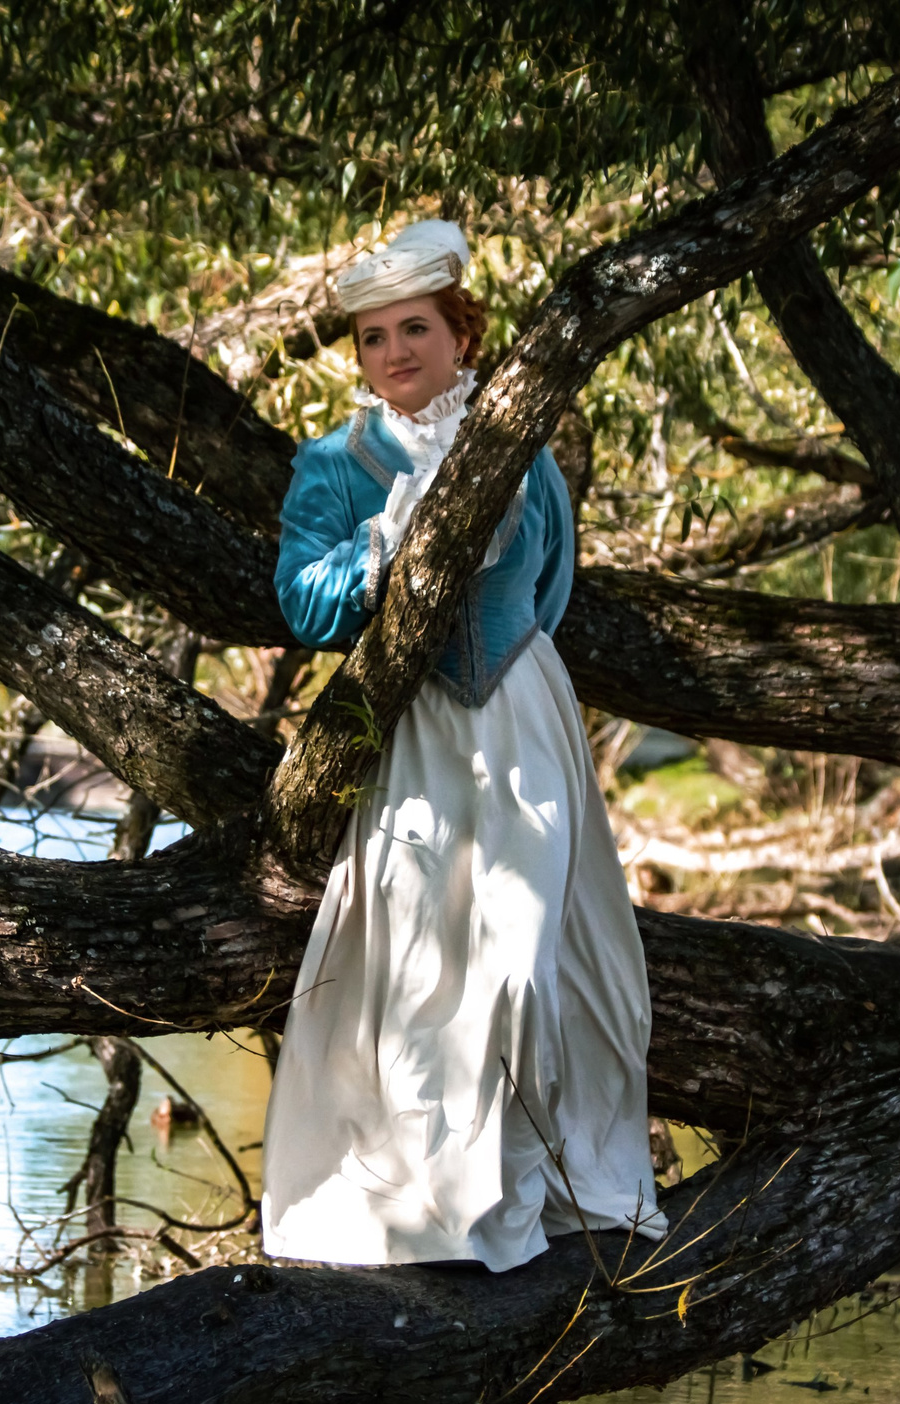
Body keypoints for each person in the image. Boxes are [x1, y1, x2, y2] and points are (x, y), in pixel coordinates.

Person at [259, 219, 669, 1272]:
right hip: (412, 733)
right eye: (372, 338)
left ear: (460, 332)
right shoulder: (333, 465)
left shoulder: (518, 444)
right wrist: (381, 551)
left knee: (529, 959)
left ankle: (539, 1186)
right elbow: (303, 604)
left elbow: (552, 581)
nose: (394, 353)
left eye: (415, 329)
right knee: (422, 962)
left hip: (523, 716)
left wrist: (511, 667)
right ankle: (448, 1202)